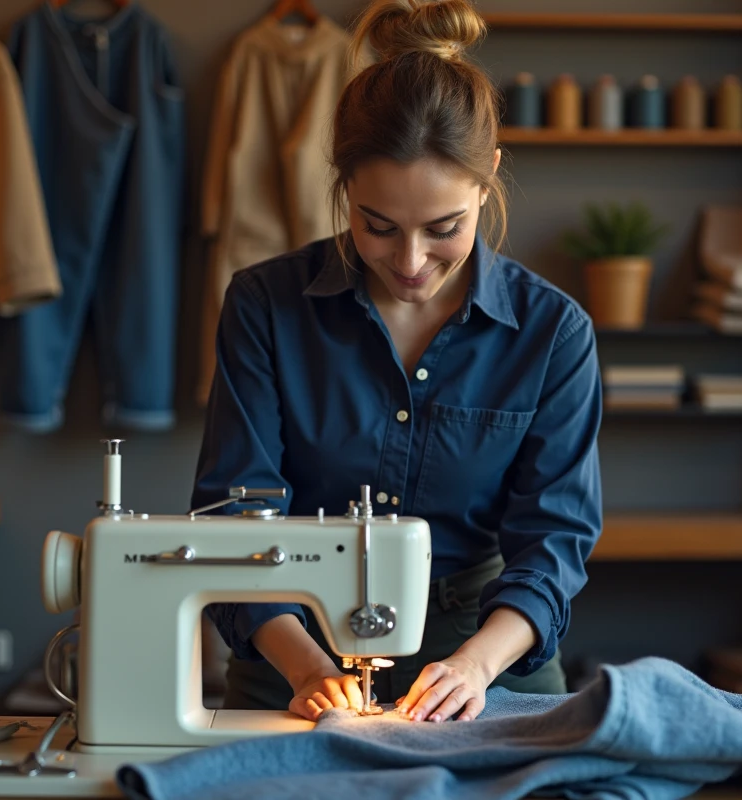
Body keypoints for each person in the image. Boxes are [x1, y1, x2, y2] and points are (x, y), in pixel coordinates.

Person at [192, 0, 603, 724]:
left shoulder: (553, 333)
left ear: (488, 179)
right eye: (377, 227)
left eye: (444, 229)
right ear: (344, 185)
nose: (410, 263)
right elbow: (237, 514)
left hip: (488, 651)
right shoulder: (265, 306)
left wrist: (476, 664)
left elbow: (554, 542)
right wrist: (310, 668)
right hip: (293, 646)